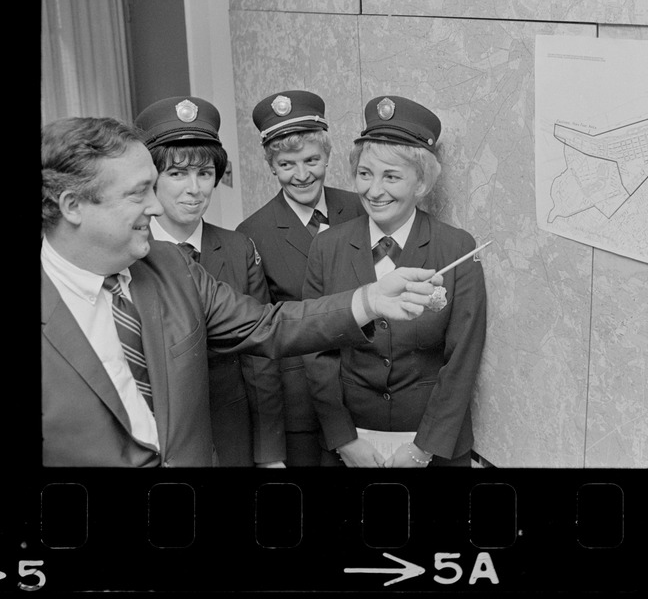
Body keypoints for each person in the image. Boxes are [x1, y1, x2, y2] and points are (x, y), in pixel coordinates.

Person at [41, 115, 441, 468]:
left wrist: (369, 300)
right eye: (138, 193)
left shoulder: (171, 267)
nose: (157, 207)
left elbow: (269, 325)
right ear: (73, 205)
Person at [303, 95, 487, 468]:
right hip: (351, 443)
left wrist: (423, 449)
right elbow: (315, 350)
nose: (374, 190)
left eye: (391, 176)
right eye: (365, 174)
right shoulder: (326, 247)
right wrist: (343, 440)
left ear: (421, 184)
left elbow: (462, 359)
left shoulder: (456, 248)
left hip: (433, 444)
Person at [134, 95, 284, 468]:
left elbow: (260, 357)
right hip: (158, 439)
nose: (194, 188)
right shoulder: (133, 252)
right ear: (152, 179)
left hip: (232, 432)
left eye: (204, 173)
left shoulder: (237, 247)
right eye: (177, 173)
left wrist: (268, 453)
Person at [237, 90, 364, 467]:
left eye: (312, 160)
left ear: (328, 157)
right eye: (287, 164)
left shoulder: (360, 209)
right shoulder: (251, 234)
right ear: (271, 167)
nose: (302, 174)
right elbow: (259, 341)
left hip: (367, 390)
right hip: (302, 406)